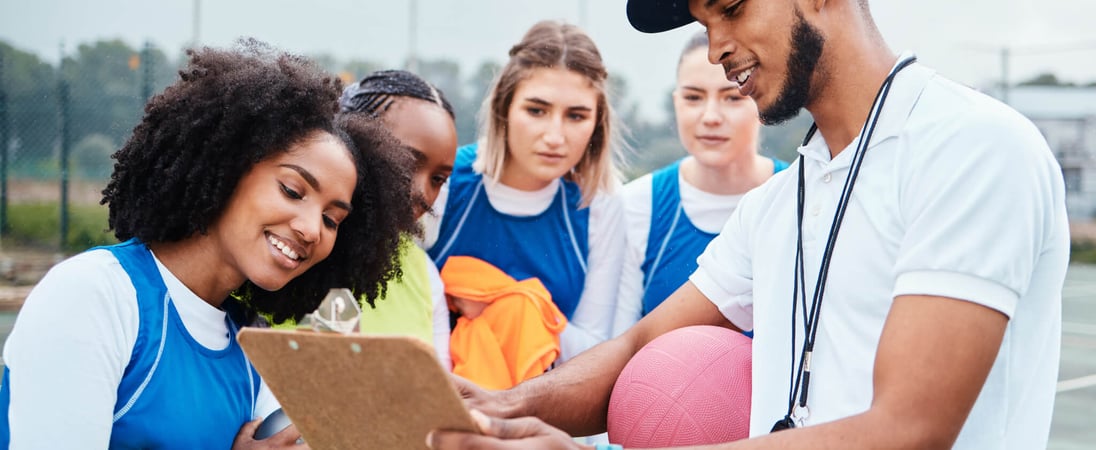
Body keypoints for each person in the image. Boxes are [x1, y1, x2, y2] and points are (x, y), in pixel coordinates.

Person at [427, 0, 1069, 449]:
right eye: (705, 24)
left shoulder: (972, 146)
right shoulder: (778, 201)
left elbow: (907, 430)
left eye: (730, 8)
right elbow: (636, 348)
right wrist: (495, 409)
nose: (715, 48)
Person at [0, 41, 418, 448]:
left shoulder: (252, 346)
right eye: (292, 190)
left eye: (332, 220)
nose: (312, 229)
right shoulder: (95, 294)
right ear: (228, 167)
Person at [426, 20, 627, 363]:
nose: (554, 136)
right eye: (536, 110)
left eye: (576, 116)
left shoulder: (599, 203)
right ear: (505, 108)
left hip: (543, 407)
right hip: (439, 401)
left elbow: (595, 352)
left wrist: (513, 299)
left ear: (597, 124)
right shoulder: (445, 181)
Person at [612, 31, 787, 337]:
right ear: (676, 103)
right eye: (693, 97)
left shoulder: (799, 195)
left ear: (761, 100)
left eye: (732, 97)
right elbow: (618, 345)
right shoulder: (637, 204)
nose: (710, 117)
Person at [338, 69, 458, 368]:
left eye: (438, 179)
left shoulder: (424, 275)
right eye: (406, 160)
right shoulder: (293, 246)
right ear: (351, 139)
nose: (422, 192)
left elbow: (437, 396)